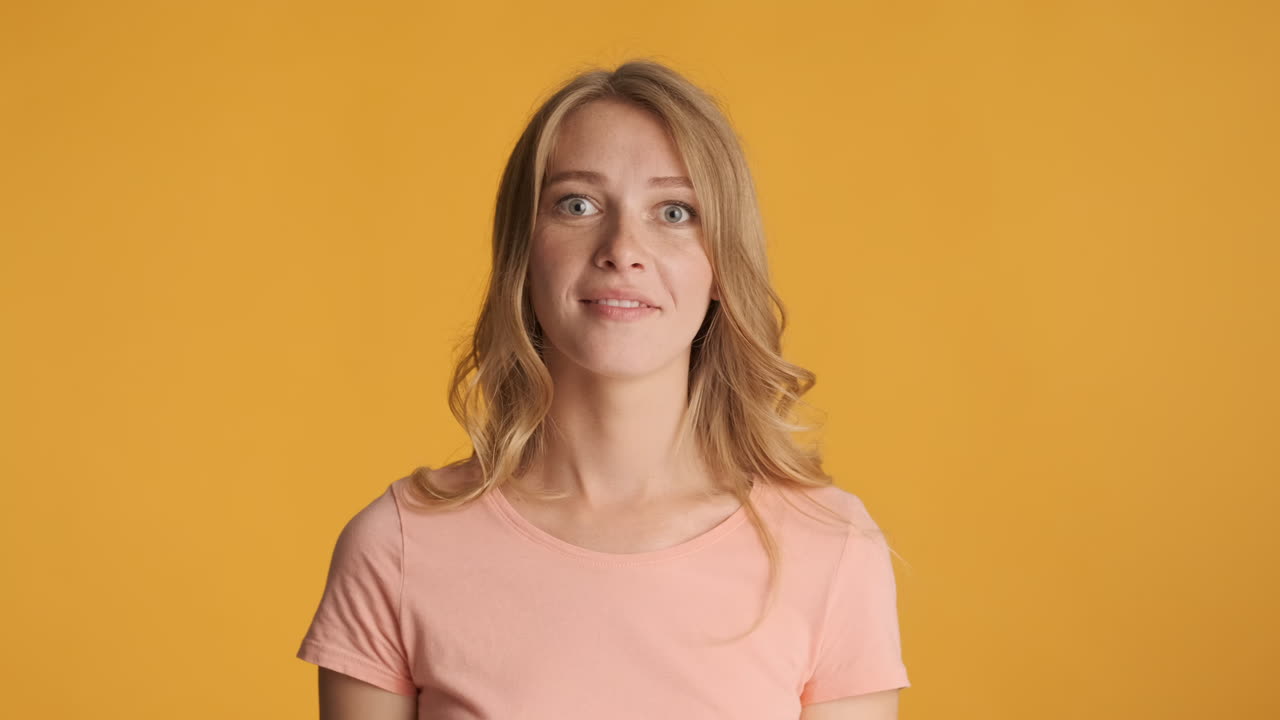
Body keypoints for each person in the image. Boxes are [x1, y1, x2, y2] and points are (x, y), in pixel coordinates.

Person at [296, 58, 910, 720]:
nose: (623, 248)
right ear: (522, 251)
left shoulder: (832, 548)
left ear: (721, 265)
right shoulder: (398, 546)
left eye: (674, 211)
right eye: (577, 204)